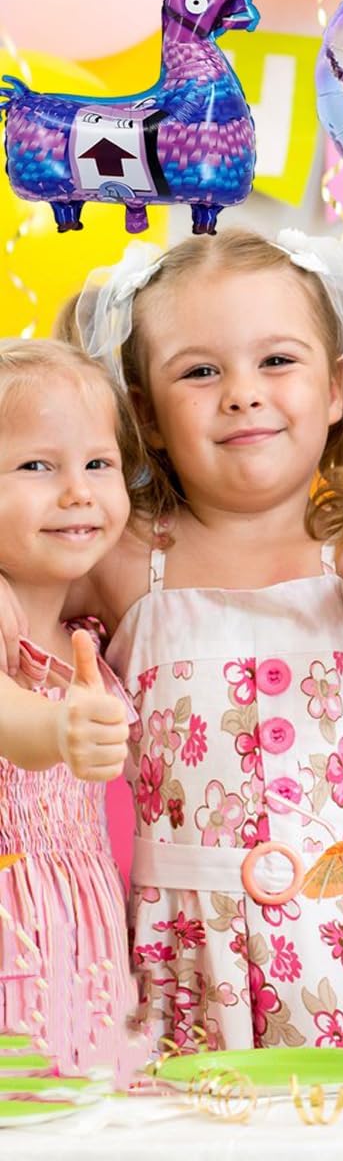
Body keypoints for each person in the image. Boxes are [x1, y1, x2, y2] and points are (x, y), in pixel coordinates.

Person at [33, 229, 343, 1052]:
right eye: (200, 372)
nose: (243, 395)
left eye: (277, 361)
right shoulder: (123, 561)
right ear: (145, 413)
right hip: (177, 959)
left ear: (335, 388)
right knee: (184, 1117)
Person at [0, 339, 141, 1038]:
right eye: (36, 466)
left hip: (87, 951)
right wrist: (55, 730)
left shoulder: (89, 630)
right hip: (14, 944)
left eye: (98, 464)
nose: (78, 491)